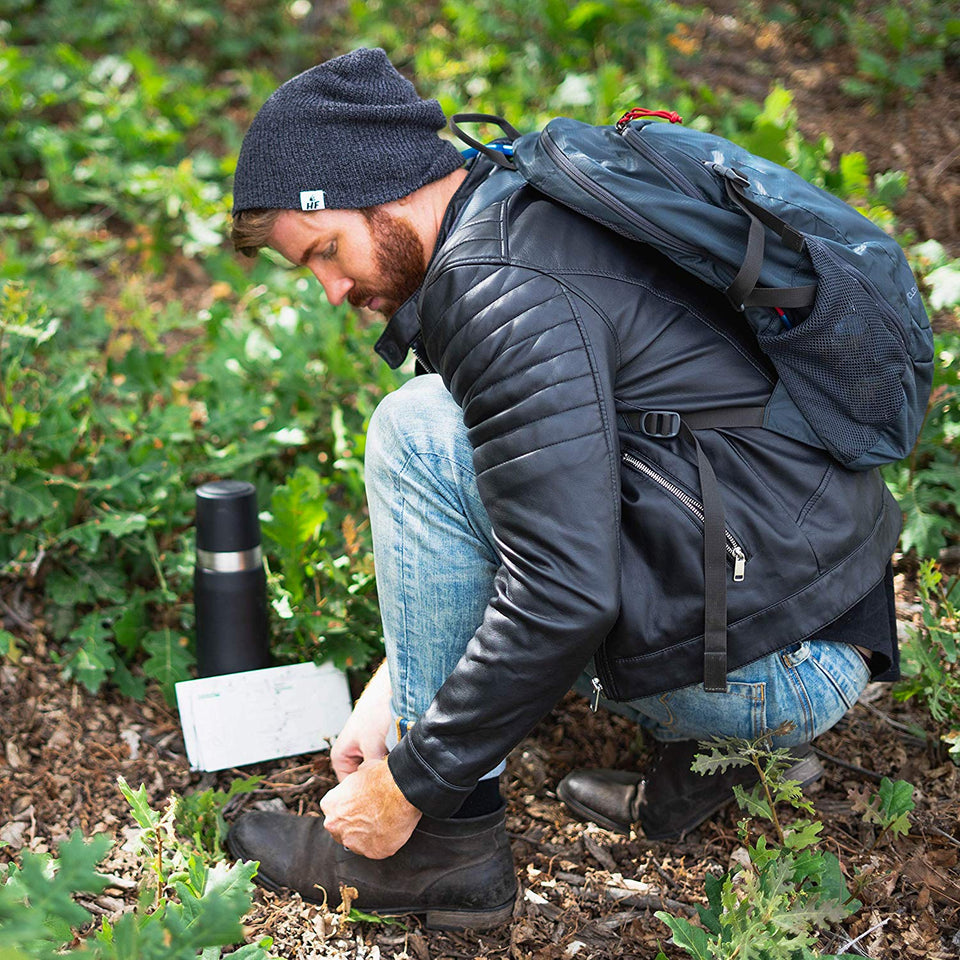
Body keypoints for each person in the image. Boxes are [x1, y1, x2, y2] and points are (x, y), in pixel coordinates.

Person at [223, 48, 901, 930]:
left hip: (782, 667)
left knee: (418, 431)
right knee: (443, 430)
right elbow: (549, 483)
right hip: (822, 619)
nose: (329, 287)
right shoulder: (525, 205)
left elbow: (563, 590)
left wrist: (414, 781)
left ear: (376, 188)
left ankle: (442, 848)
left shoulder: (500, 289)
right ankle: (721, 759)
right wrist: (400, 682)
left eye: (325, 251)